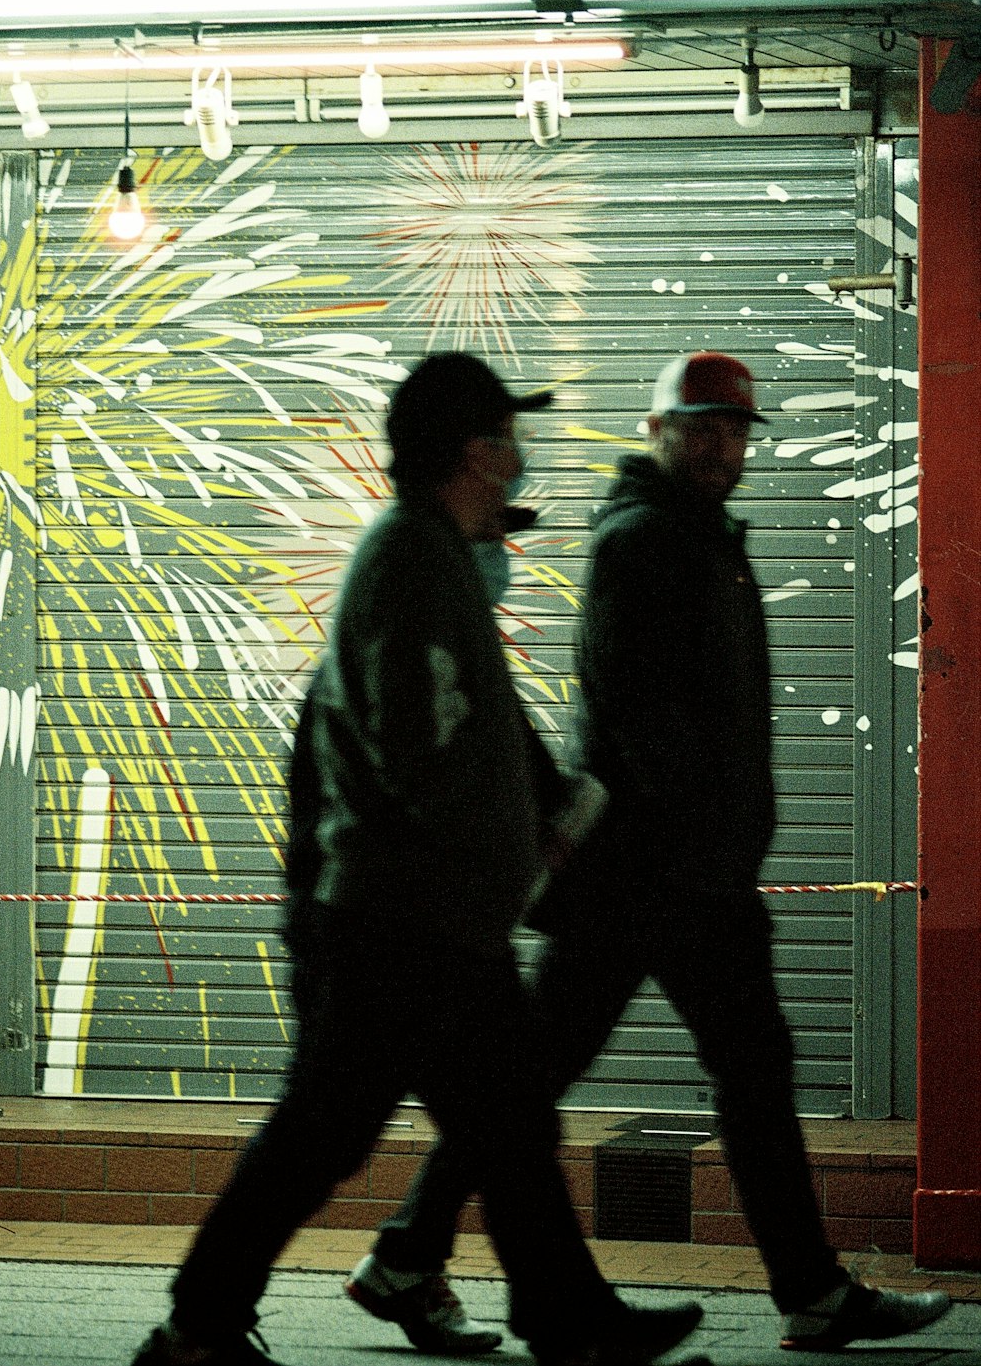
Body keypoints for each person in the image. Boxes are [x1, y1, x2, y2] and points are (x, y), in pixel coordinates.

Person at [346, 350, 952, 1356]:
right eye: (702, 425)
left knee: (611, 1074)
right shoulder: (642, 539)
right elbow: (632, 712)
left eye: (735, 428)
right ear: (658, 428)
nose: (722, 445)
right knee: (551, 1078)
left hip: (674, 872)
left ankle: (410, 1255)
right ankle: (801, 1291)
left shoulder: (698, 535)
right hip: (647, 875)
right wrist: (701, 833)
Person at [130, 351, 703, 1366]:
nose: (520, 458)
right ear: (477, 451)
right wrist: (495, 849)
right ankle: (197, 1324)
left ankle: (567, 1317)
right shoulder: (407, 558)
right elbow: (415, 741)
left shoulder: (430, 551)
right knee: (327, 1134)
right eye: (509, 438)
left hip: (436, 920)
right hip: (402, 922)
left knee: (510, 1127)